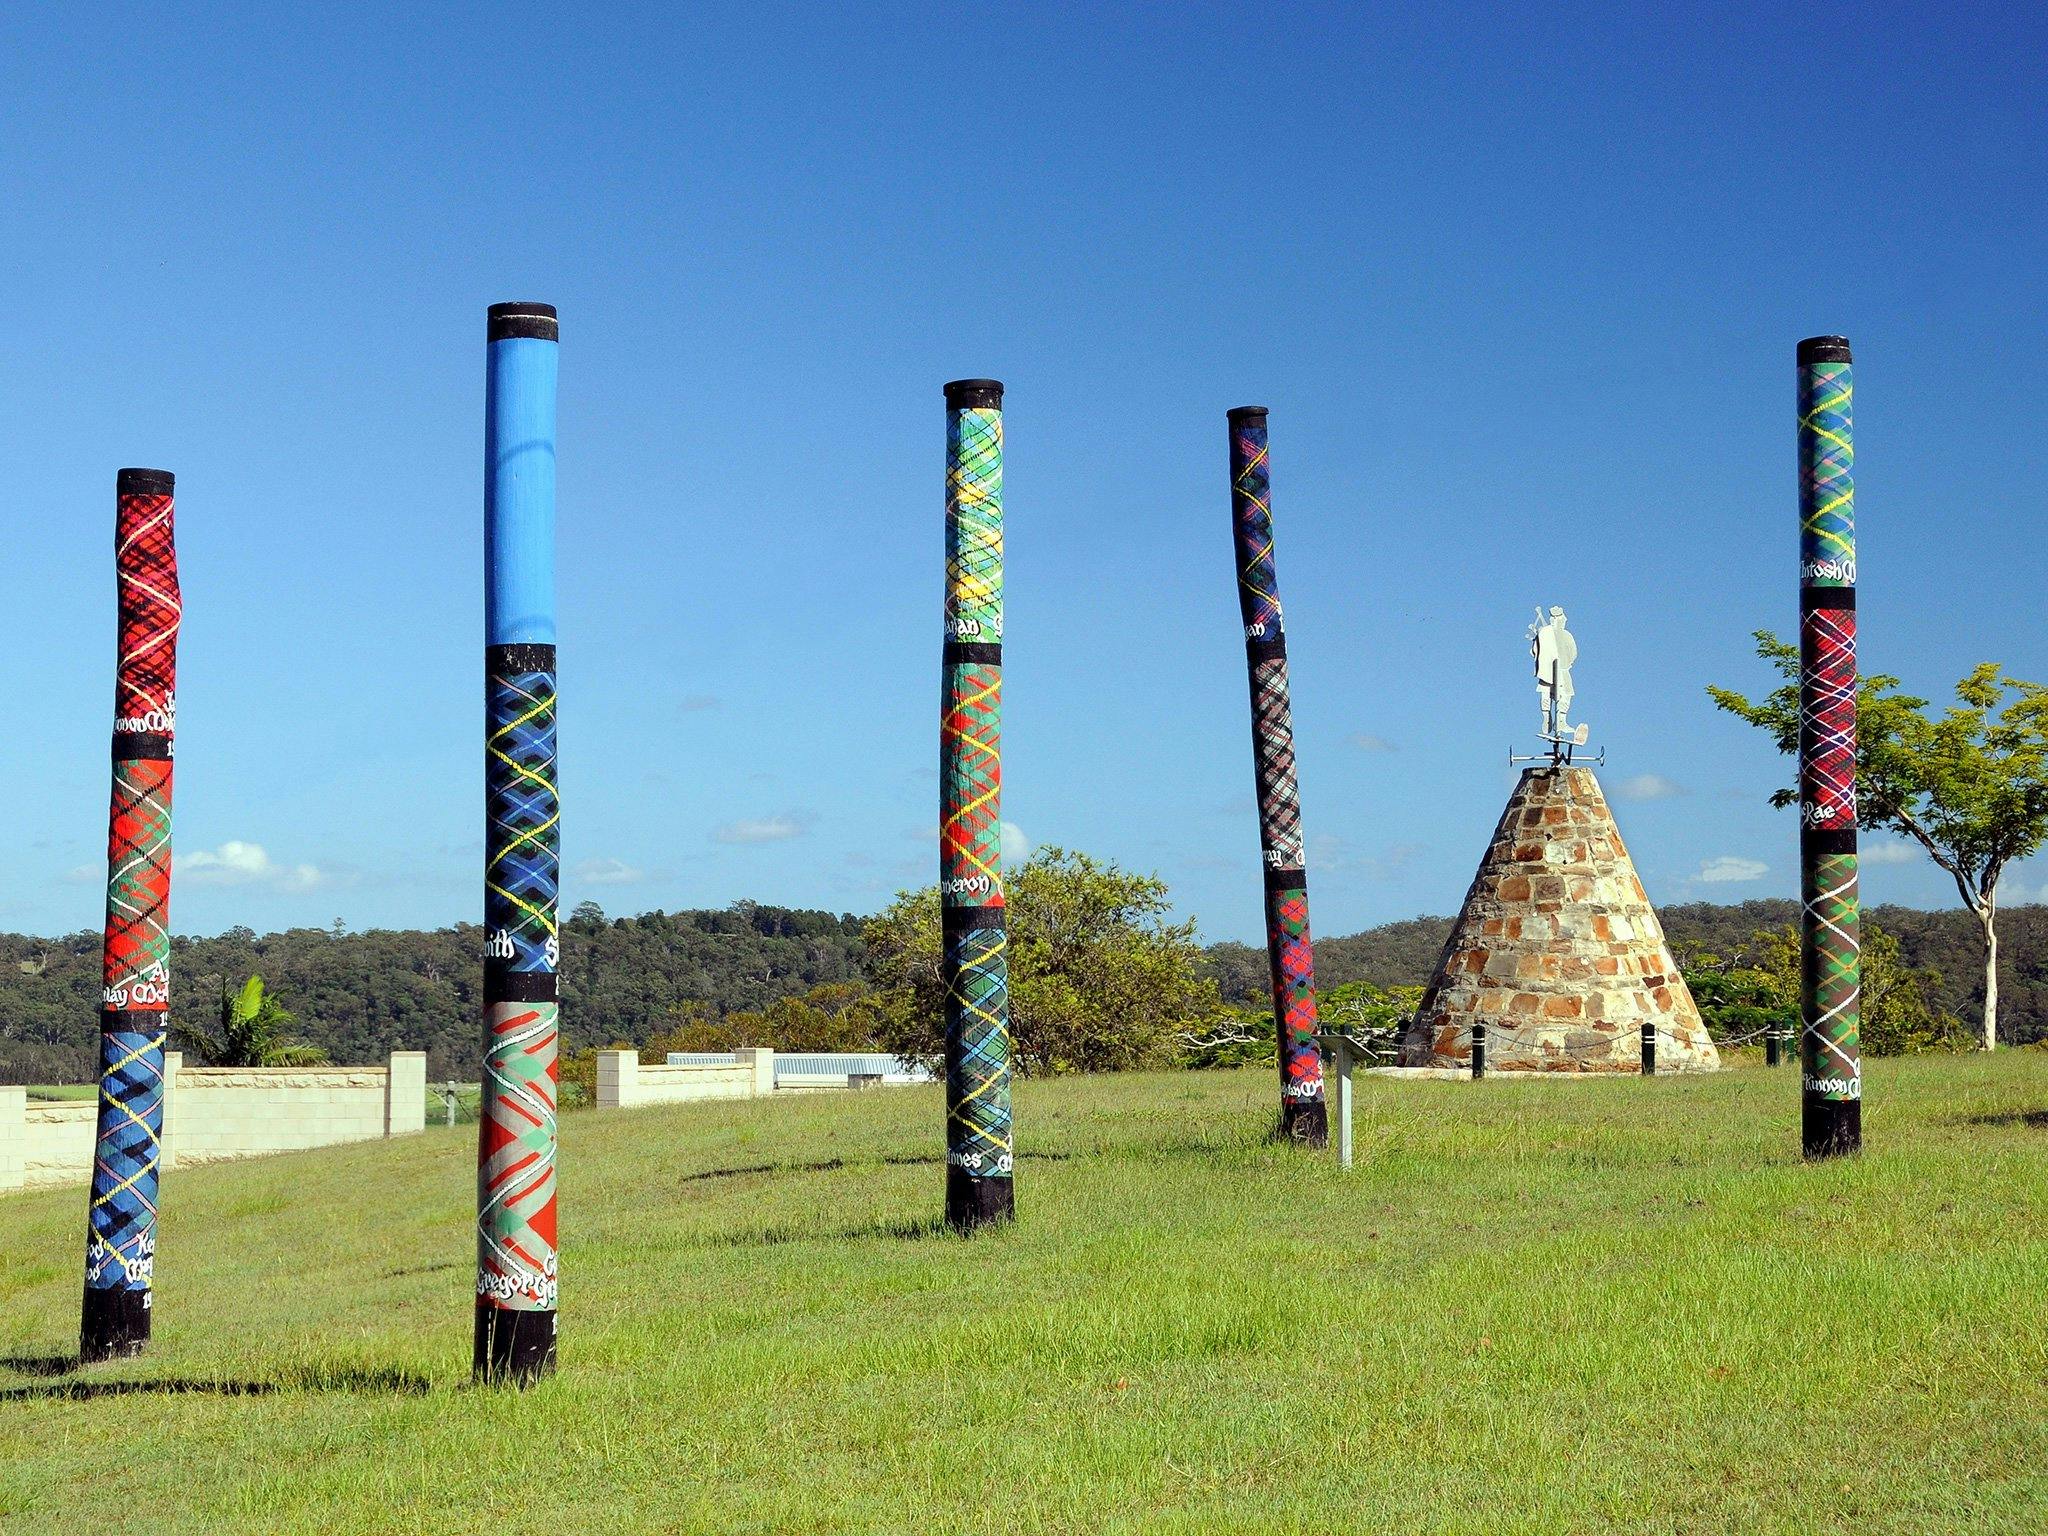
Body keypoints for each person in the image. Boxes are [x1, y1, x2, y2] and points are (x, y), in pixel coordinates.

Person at [1529, 605, 1576, 737]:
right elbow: (1573, 653)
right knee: (1566, 694)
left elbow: (1534, 651)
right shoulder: (1566, 635)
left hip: (1547, 671)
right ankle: (1560, 721)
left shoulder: (1544, 632)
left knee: (1546, 693)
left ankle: (1549, 717)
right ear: (1559, 619)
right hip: (1561, 670)